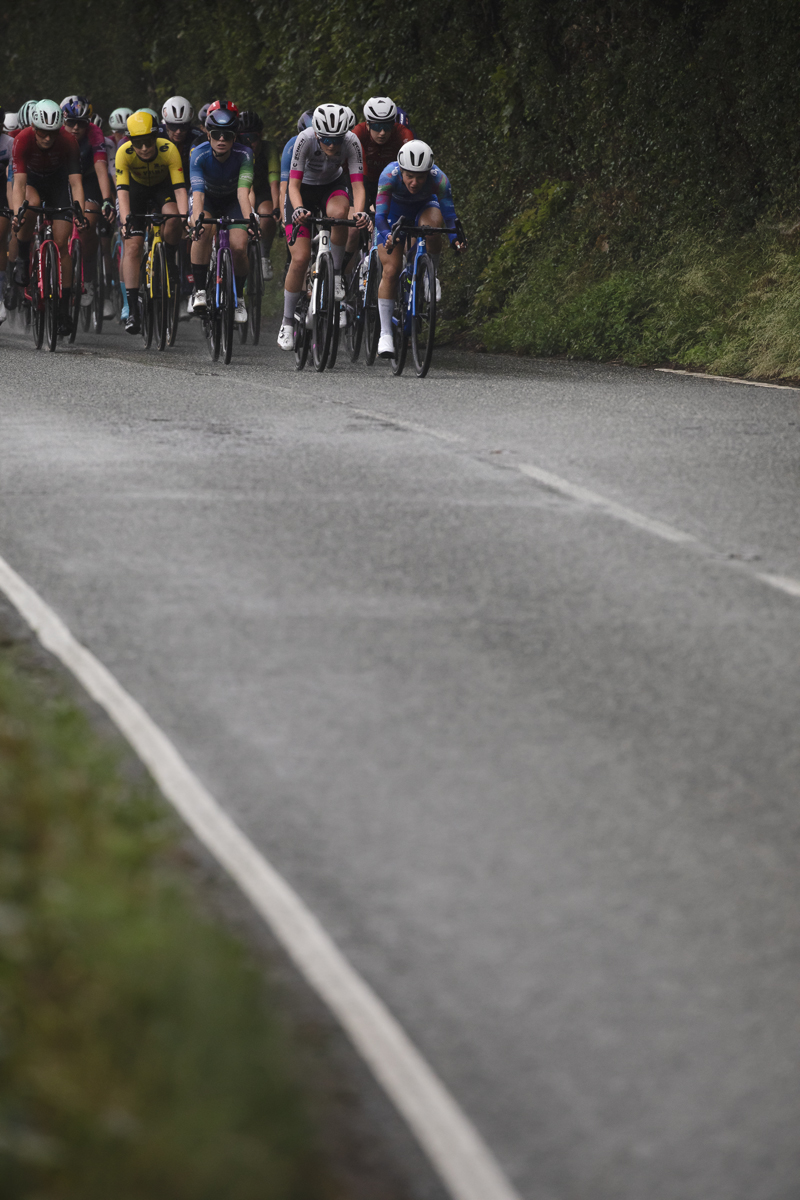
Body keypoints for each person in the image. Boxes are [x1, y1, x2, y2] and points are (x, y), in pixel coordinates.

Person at [278, 103, 368, 350]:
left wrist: (359, 212)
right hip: (303, 191)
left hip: (332, 186)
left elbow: (358, 186)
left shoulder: (351, 142)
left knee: (340, 215)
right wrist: (298, 209)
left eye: (337, 139)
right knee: (300, 258)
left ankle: (336, 274)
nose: (332, 145)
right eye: (326, 139)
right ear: (317, 133)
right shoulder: (305, 139)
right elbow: (293, 186)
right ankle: (287, 322)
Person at [373, 139, 465, 357]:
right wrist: (387, 236)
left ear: (428, 173)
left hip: (425, 207)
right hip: (394, 213)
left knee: (432, 228)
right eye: (409, 176)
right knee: (391, 270)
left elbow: (450, 217)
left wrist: (455, 239)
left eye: (420, 177)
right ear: (401, 171)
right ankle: (385, 334)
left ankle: (429, 276)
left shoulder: (439, 179)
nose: (414, 183)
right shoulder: (389, 175)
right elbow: (380, 217)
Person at [11, 99, 87, 337]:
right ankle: (23, 256)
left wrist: (80, 212)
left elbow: (76, 183)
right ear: (34, 128)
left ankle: (63, 311)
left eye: (52, 133)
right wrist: (17, 214)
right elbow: (19, 184)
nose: (47, 138)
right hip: (31, 181)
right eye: (43, 132)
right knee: (30, 205)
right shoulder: (22, 139)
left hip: (57, 184)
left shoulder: (68, 141)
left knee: (62, 244)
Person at [115, 109, 187, 334]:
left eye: (148, 141)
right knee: (133, 247)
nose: (144, 148)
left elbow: (180, 189)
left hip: (161, 189)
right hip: (135, 192)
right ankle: (133, 309)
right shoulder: (123, 152)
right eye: (138, 143)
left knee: (174, 218)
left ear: (156, 137)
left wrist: (185, 219)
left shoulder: (169, 149)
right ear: (130, 141)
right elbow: (122, 192)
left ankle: (169, 258)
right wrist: (126, 222)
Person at [188, 103, 254, 324]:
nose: (222, 139)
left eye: (227, 135)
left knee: (239, 247)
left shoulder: (245, 154)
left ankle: (239, 297)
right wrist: (197, 222)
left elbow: (243, 193)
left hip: (233, 200)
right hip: (207, 199)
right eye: (216, 134)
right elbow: (198, 194)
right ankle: (199, 290)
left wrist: (250, 220)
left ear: (235, 136)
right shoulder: (198, 154)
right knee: (203, 230)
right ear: (209, 135)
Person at [61, 97, 114, 310]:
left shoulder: (95, 133)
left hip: (87, 179)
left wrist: (107, 200)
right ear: (63, 121)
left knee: (89, 222)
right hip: (61, 179)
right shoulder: (55, 132)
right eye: (71, 122)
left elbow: (101, 170)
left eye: (81, 123)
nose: (76, 128)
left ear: (88, 123)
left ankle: (89, 278)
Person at [239, 109, 280, 280]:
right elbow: (246, 188)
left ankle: (264, 256)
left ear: (261, 136)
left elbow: (274, 183)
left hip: (263, 191)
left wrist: (277, 208)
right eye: (244, 138)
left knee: (268, 215)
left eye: (253, 137)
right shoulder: (237, 151)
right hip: (240, 191)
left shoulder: (269, 149)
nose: (249, 143)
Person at [353, 97, 414, 210]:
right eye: (377, 127)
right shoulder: (358, 133)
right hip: (363, 179)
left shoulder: (402, 133)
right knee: (358, 213)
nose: (382, 133)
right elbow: (355, 168)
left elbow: (411, 166)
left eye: (387, 127)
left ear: (393, 125)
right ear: (368, 125)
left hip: (389, 181)